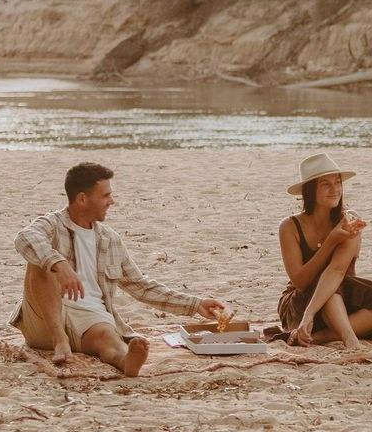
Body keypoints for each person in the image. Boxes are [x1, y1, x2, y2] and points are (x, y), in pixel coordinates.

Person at [13, 161, 228, 376]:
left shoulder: (110, 239)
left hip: (90, 319)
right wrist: (58, 264)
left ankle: (127, 361)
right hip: (44, 322)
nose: (111, 202)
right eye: (106, 196)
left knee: (108, 340)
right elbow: (25, 237)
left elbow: (141, 286)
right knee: (40, 262)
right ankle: (60, 339)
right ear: (82, 199)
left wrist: (196, 305)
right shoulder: (52, 224)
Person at [276, 152, 372, 350]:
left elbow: (337, 271)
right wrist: (331, 242)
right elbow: (300, 281)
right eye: (325, 184)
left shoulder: (349, 220)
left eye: (338, 183)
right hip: (301, 300)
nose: (335, 189)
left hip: (342, 297)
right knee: (328, 288)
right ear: (309, 191)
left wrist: (310, 315)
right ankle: (350, 340)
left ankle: (319, 337)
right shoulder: (289, 226)